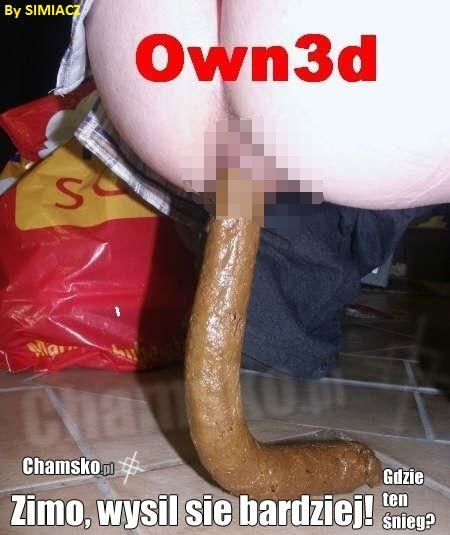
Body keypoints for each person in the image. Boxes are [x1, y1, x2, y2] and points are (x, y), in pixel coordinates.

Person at [53, 0, 449, 377]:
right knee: (340, 212)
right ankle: (274, 306)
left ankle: (268, 310)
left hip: (156, 74)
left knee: (289, 217)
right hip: (353, 84)